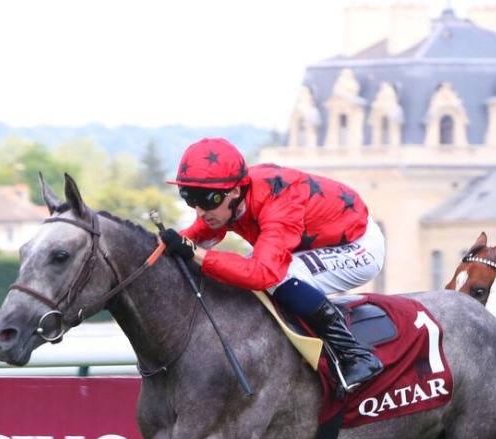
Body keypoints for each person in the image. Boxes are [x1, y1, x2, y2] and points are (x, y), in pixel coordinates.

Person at [161, 137, 384, 389]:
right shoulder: (228, 201)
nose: (200, 211)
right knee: (238, 273)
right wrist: (165, 245)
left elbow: (263, 274)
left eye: (207, 199)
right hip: (319, 241)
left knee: (281, 277)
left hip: (358, 246)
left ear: (235, 191)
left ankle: (356, 355)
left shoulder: (279, 202)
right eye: (190, 198)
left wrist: (194, 252)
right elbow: (203, 232)